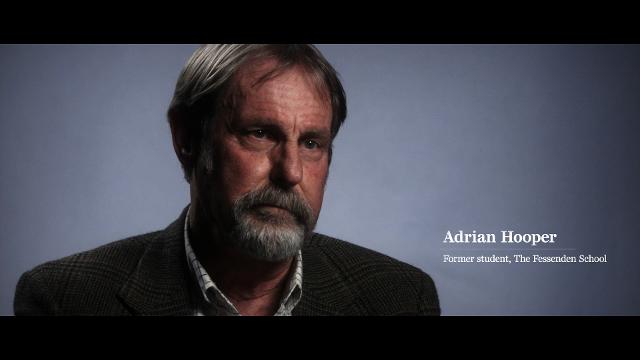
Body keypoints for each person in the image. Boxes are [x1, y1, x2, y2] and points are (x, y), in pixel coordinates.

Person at [13, 44, 440, 316]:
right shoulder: (64, 300)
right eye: (260, 134)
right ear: (187, 140)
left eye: (312, 143)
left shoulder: (401, 298)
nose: (291, 172)